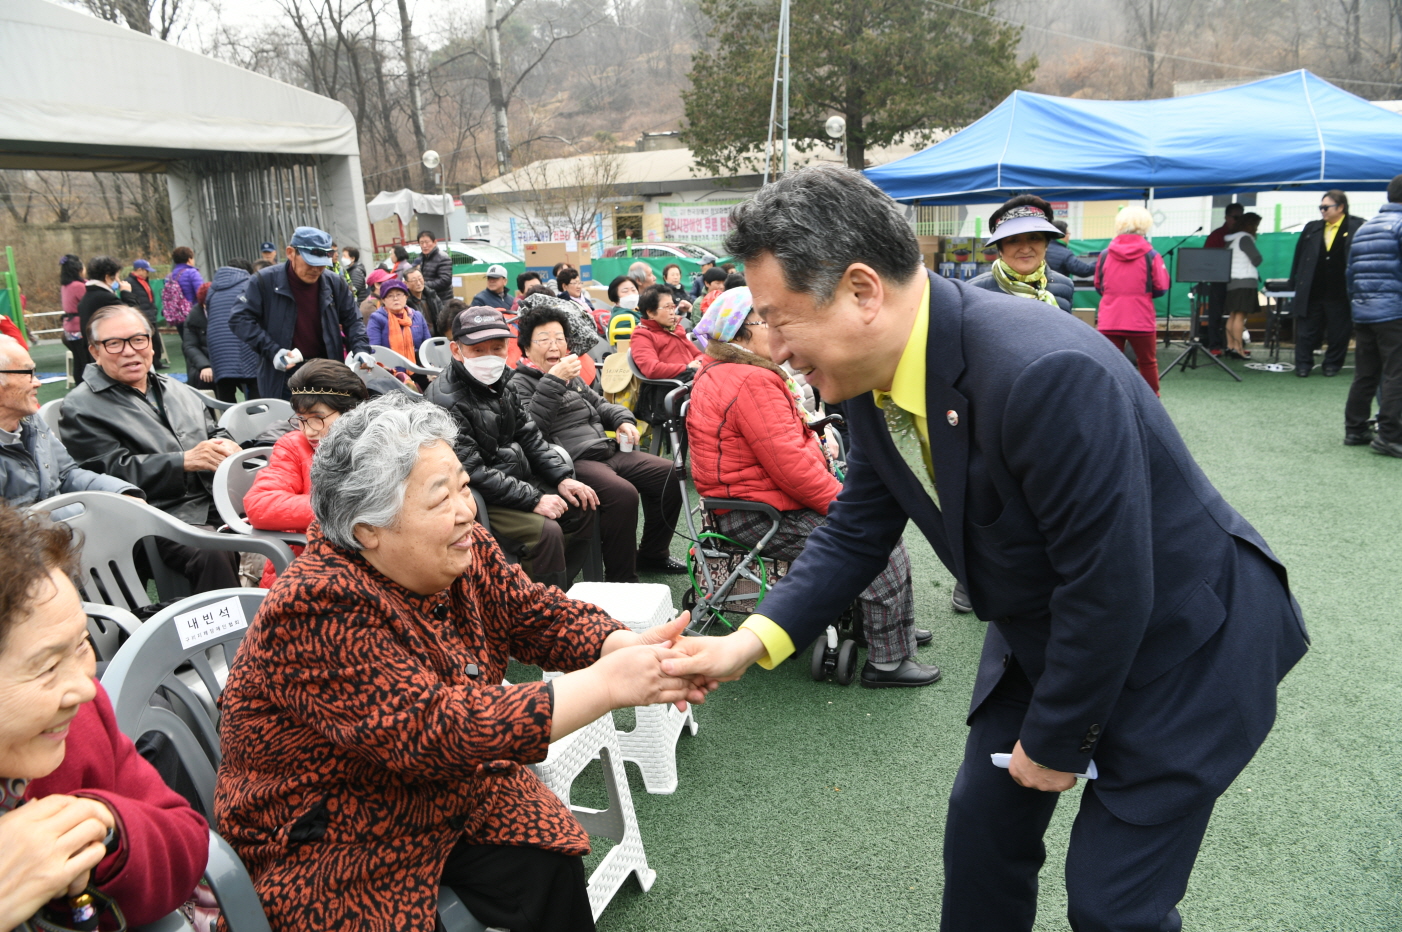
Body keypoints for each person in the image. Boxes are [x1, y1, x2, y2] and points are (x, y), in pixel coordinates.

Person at [662, 165, 1309, 932]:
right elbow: (859, 527)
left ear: (863, 291)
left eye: (779, 317)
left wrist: (1057, 740)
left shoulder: (1042, 371)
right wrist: (746, 644)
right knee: (983, 834)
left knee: (1114, 908)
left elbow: (1110, 584)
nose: (768, 343)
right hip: (1053, 627)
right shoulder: (868, 376)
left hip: (1187, 645)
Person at [214, 394, 704, 932]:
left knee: (547, 857)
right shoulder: (315, 605)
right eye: (439, 499)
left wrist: (622, 646)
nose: (466, 511)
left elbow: (532, 613)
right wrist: (609, 685)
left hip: (439, 786)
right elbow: (433, 729)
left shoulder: (459, 549)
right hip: (328, 822)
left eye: (464, 487)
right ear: (366, 530)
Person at [689, 288, 939, 687]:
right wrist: (843, 508)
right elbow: (792, 468)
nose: (776, 334)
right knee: (881, 543)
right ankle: (888, 661)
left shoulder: (719, 369)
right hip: (759, 515)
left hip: (739, 506)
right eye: (765, 324)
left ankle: (891, 629)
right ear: (739, 334)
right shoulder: (752, 378)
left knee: (872, 535)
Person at [0, 502, 209, 930]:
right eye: (46, 667)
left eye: (80, 645)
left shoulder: (79, 721)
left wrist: (105, 827)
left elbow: (186, 840)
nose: (84, 684)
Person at [60, 304, 243, 593]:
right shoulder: (81, 406)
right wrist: (182, 461)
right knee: (213, 551)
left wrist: (226, 442)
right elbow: (106, 473)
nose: (130, 351)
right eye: (114, 343)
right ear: (94, 351)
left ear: (151, 344)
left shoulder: (175, 388)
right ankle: (236, 636)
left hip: (215, 502)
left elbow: (212, 430)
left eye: (138, 339)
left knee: (284, 523)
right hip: (154, 517)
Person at [510, 303, 685, 581]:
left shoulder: (572, 378)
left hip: (604, 449)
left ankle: (653, 553)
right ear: (526, 349)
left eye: (559, 338)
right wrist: (553, 382)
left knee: (670, 474)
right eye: (544, 339)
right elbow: (532, 429)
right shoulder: (519, 383)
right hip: (570, 460)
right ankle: (621, 578)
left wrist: (622, 419)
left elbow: (602, 405)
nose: (553, 345)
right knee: (623, 494)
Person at [425, 307, 598, 587]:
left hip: (516, 481)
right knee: (545, 531)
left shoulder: (504, 381)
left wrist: (562, 478)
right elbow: (472, 470)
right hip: (479, 494)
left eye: (497, 347)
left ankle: (556, 589)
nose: (489, 357)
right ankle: (534, 608)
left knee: (582, 506)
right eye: (478, 350)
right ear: (456, 350)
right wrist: (534, 499)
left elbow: (529, 434)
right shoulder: (445, 400)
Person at [244, 359, 369, 586]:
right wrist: (343, 507)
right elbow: (260, 504)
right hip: (308, 571)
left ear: (352, 413)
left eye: (318, 419)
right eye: (301, 420)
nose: (309, 431)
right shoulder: (293, 445)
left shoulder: (379, 441)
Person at [229, 225, 374, 400]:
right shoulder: (264, 281)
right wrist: (272, 350)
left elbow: (353, 320)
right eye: (310, 262)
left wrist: (360, 348)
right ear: (291, 253)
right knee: (288, 425)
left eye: (322, 265)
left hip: (326, 371)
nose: (316, 269)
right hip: (283, 373)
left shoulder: (334, 283)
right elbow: (239, 318)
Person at [0, 335, 140, 505]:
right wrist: (90, 513)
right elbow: (11, 525)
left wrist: (120, 493)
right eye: (28, 373)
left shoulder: (30, 420)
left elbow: (66, 474)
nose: (37, 382)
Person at [1344, 174, 1402, 457]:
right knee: (1397, 373)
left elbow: (1350, 273)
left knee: (1365, 373)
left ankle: (1355, 429)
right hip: (1394, 311)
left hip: (1363, 310)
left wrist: (1357, 305)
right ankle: (1390, 436)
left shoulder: (1365, 228)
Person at [1287, 190, 1365, 377]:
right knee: (1307, 331)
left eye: (1326, 207)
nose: (1322, 211)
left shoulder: (1357, 227)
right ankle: (1303, 365)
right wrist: (1294, 282)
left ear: (1340, 207)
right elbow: (1299, 256)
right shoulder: (1312, 228)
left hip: (1341, 291)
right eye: (1320, 207)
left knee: (1339, 332)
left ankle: (1332, 364)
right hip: (1313, 289)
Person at [1094, 206, 1170, 394]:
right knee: (1147, 363)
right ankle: (1152, 406)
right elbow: (1161, 288)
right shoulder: (1151, 255)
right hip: (1140, 318)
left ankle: (1110, 402)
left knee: (1109, 364)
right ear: (1145, 226)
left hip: (1110, 318)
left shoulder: (1105, 255)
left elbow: (1099, 286)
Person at [967, 195, 1074, 312]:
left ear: (1046, 244)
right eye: (1014, 240)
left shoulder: (1064, 285)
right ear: (1000, 249)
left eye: (1034, 238)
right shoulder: (975, 290)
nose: (1025, 249)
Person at [199, 259, 261, 403]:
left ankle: (227, 422)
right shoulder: (250, 284)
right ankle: (257, 420)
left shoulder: (212, 289)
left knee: (226, 396)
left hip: (218, 350)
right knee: (256, 396)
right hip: (244, 346)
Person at [629, 284, 703, 380]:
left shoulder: (676, 328)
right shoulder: (642, 335)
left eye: (673, 307)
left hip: (692, 378)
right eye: (667, 307)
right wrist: (687, 368)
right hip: (672, 387)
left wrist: (698, 362)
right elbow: (652, 369)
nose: (672, 312)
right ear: (650, 312)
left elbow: (698, 354)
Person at [76, 257, 137, 366]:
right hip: (109, 355)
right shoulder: (105, 297)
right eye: (117, 276)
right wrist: (127, 294)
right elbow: (134, 317)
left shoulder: (88, 296)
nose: (118, 281)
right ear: (108, 277)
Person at [1203, 203, 1246, 354]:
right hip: (1219, 280)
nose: (1239, 220)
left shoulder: (1244, 235)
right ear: (1226, 218)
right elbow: (1206, 259)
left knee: (1238, 313)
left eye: (1242, 217)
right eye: (1236, 217)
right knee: (1215, 313)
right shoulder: (1216, 235)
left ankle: (1235, 346)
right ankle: (1214, 345)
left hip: (1238, 279)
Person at [1224, 212, 1264, 360]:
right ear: (1249, 225)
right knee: (1241, 316)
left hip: (1232, 281)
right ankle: (1239, 349)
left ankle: (1230, 346)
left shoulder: (1230, 239)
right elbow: (1257, 258)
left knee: (1233, 315)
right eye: (1256, 226)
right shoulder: (1245, 238)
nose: (1257, 229)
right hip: (1245, 280)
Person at [367, 278, 432, 365]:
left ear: (406, 297)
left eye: (399, 294)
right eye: (390, 296)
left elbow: (428, 345)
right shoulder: (376, 318)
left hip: (419, 367)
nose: (395, 298)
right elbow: (375, 350)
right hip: (391, 369)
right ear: (383, 300)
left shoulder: (417, 316)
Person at [125, 259, 169, 369]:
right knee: (146, 342)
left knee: (156, 342)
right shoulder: (129, 282)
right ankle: (150, 363)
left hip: (150, 316)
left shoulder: (144, 281)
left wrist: (153, 310)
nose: (147, 273)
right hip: (141, 317)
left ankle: (156, 362)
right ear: (139, 270)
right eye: (146, 271)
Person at [180, 281, 216, 393]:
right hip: (205, 360)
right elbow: (190, 346)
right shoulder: (193, 317)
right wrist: (204, 365)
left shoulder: (229, 312)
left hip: (226, 361)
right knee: (204, 378)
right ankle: (211, 410)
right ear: (202, 304)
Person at [60, 254, 91, 373]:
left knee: (78, 361)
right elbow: (88, 301)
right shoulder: (78, 286)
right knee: (86, 362)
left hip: (70, 327)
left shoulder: (66, 285)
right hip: (80, 328)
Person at [165, 246, 204, 337]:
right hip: (194, 314)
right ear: (189, 259)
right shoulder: (192, 273)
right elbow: (201, 294)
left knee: (187, 342)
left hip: (178, 316)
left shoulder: (169, 276)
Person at [415, 229, 455, 303]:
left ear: (435, 242)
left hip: (442, 300)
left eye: (427, 242)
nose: (424, 245)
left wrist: (423, 285)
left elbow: (445, 281)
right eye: (421, 243)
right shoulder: (421, 258)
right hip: (428, 299)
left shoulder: (443, 258)